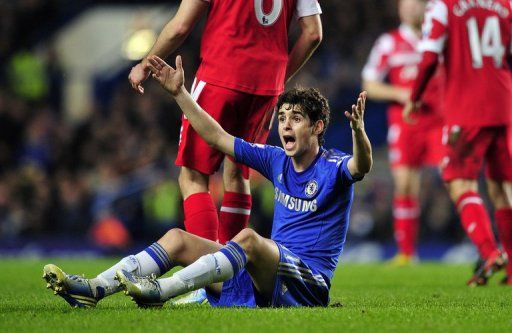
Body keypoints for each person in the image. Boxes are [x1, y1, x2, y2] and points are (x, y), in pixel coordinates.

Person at [42, 55, 372, 308]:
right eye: (282, 117)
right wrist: (181, 94)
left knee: (249, 240)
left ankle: (163, 291)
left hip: (307, 286)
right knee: (177, 239)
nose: (285, 125)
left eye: (296, 119)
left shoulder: (333, 166)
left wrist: (358, 132)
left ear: (317, 127)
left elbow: (361, 166)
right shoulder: (276, 159)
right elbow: (216, 137)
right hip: (263, 283)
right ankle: (94, 289)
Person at [128, 0, 323, 247]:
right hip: (266, 87)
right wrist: (279, 79)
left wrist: (146, 62)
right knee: (238, 175)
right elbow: (314, 33)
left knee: (192, 176)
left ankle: (207, 272)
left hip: (220, 76)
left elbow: (180, 26)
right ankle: (229, 274)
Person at [404, 0, 512, 285]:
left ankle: (490, 253)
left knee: (459, 181)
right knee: (502, 186)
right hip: (504, 104)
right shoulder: (505, 4)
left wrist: (414, 98)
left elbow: (428, 57)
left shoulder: (444, 5)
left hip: (467, 109)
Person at [362, 0, 444, 264]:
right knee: (405, 185)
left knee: (456, 181)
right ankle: (407, 253)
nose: (410, 10)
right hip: (405, 122)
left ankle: (478, 242)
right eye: (405, 6)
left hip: (439, 121)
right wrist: (398, 92)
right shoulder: (389, 42)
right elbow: (369, 83)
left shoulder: (439, 38)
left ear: (425, 8)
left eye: (415, 5)